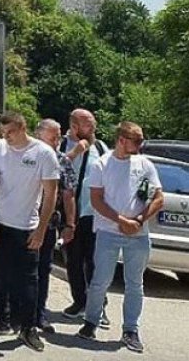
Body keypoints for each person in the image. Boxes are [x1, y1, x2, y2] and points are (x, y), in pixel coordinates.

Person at [76, 122, 163, 353]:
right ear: (121, 140)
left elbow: (158, 198)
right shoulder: (102, 164)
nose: (140, 145)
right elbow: (96, 200)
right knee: (100, 280)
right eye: (137, 140)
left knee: (135, 284)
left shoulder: (145, 164)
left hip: (138, 234)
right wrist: (121, 221)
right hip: (108, 232)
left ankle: (131, 330)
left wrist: (139, 220)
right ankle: (91, 321)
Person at [0, 112, 59, 352]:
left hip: (27, 226)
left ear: (23, 127)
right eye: (3, 132)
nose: (7, 137)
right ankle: (2, 319)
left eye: (11, 132)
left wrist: (41, 229)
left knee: (28, 281)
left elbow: (50, 194)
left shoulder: (43, 153)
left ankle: (28, 327)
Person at [60, 108, 110, 323]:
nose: (93, 127)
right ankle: (79, 301)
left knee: (95, 262)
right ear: (74, 126)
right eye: (88, 124)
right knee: (73, 260)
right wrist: (75, 152)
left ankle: (99, 306)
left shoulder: (100, 147)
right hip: (70, 213)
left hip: (95, 213)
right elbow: (54, 168)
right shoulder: (62, 145)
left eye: (93, 123)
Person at [34, 118, 77, 334]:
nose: (57, 140)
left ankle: (38, 315)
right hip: (20, 221)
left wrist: (70, 224)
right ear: (39, 134)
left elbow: (69, 195)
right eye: (53, 135)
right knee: (18, 268)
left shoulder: (63, 161)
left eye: (59, 136)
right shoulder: (26, 155)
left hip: (49, 224)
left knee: (43, 269)